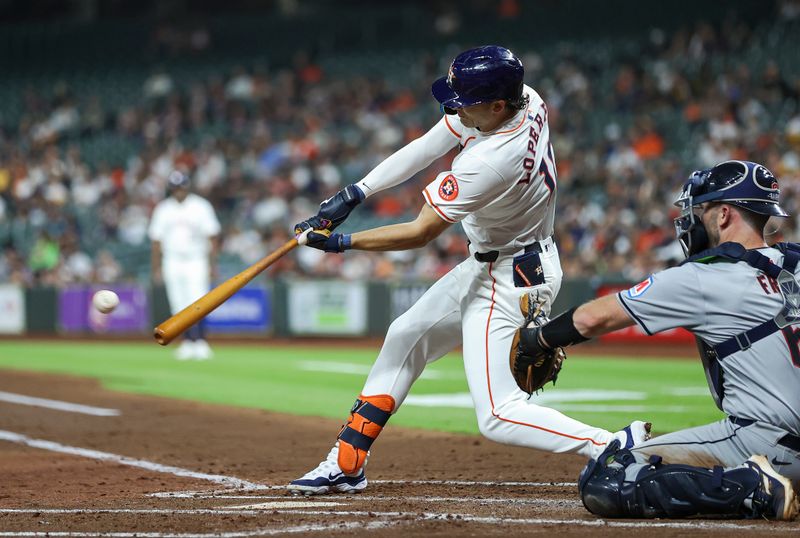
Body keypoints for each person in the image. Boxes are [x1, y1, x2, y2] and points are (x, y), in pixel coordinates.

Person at [287, 45, 649, 496]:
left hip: (511, 276)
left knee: (497, 413)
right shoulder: (524, 99)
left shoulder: (491, 161)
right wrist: (357, 192)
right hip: (501, 260)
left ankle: (613, 445)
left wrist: (341, 242)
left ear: (497, 105)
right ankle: (348, 460)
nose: (454, 106)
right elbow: (431, 142)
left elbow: (421, 232)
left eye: (464, 100)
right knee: (406, 334)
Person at [512, 160, 799, 520]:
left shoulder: (703, 277)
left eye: (702, 209)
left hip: (769, 444)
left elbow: (593, 318)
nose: (693, 219)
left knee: (608, 476)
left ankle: (753, 488)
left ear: (723, 215)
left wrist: (537, 339)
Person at [149, 171, 220, 360]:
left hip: (196, 259)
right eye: (175, 187)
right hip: (172, 259)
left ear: (187, 186)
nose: (179, 191)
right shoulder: (163, 209)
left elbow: (212, 237)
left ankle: (201, 342)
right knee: (178, 303)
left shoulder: (200, 206)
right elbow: (156, 241)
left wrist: (213, 265)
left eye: (181, 187)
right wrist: (156, 267)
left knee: (199, 301)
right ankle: (188, 342)